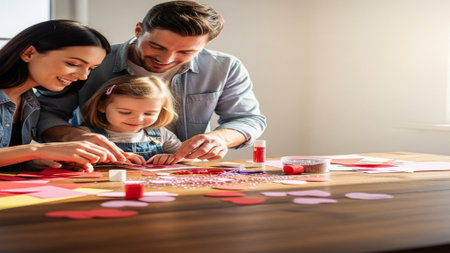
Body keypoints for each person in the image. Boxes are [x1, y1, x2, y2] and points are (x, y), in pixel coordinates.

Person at [37, 0, 267, 164]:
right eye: (156, 46)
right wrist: (75, 137)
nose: (165, 60)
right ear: (139, 30)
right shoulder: (95, 62)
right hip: (100, 169)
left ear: (203, 47)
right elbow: (47, 112)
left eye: (185, 52)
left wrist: (218, 139)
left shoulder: (225, 67)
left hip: (180, 172)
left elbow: (248, 119)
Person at [0, 19, 122, 171]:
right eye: (73, 64)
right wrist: (38, 151)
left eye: (91, 68)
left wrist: (35, 160)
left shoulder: (30, 103)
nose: (84, 76)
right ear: (28, 53)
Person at [80, 75, 182, 165]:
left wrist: (172, 158)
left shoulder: (161, 133)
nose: (138, 119)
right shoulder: (87, 135)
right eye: (125, 112)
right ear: (101, 106)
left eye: (148, 114)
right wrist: (111, 158)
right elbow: (74, 161)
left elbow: (188, 157)